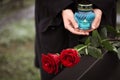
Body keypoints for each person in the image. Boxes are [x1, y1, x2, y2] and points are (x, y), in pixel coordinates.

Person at [34, 0, 117, 80]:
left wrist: (101, 5)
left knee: (99, 70)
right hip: (55, 17)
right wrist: (62, 5)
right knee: (58, 74)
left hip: (100, 16)